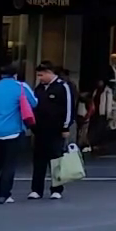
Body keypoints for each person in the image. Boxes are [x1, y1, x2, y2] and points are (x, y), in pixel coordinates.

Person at [0, 63, 35, 204]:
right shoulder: (20, 87)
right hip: (13, 131)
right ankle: (4, 195)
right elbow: (34, 103)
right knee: (9, 164)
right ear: (15, 75)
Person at [30, 63, 75, 200]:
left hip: (56, 129)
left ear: (49, 72)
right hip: (40, 129)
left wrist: (66, 126)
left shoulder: (62, 87)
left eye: (41, 75)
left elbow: (69, 107)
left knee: (56, 159)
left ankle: (57, 189)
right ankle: (36, 189)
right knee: (39, 160)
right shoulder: (39, 88)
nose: (40, 78)